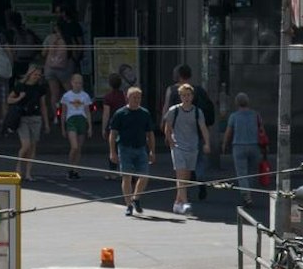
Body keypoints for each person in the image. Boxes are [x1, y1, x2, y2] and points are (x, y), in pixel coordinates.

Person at [163, 82, 210, 216]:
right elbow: (168, 126)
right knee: (180, 175)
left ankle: (177, 203)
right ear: (180, 96)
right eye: (183, 95)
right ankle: (185, 203)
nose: (186, 98)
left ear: (192, 96)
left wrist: (207, 143)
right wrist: (170, 140)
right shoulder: (174, 110)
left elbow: (203, 128)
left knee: (186, 177)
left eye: (188, 95)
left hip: (192, 147)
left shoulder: (197, 112)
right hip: (178, 146)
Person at [109, 86, 156, 216]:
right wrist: (112, 152)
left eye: (139, 97)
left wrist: (152, 151)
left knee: (144, 175)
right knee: (127, 177)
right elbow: (113, 134)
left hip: (141, 148)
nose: (136, 100)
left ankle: (136, 198)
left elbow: (150, 134)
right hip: (125, 148)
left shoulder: (145, 113)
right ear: (127, 98)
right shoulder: (120, 114)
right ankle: (128, 204)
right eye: (134, 97)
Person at [218, 93, 265, 207]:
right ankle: (250, 192)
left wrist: (224, 144)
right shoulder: (256, 115)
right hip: (254, 146)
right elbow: (262, 130)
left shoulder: (234, 116)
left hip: (238, 146)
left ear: (236, 103)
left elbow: (229, 132)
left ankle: (246, 196)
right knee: (251, 172)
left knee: (242, 173)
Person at [8, 65, 45, 181]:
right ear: (29, 74)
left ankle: (28, 173)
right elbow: (9, 100)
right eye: (35, 74)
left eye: (39, 75)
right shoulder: (20, 86)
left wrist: (47, 122)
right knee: (26, 145)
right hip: (23, 118)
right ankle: (19, 165)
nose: (37, 77)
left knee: (33, 147)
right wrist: (19, 98)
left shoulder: (40, 88)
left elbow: (43, 105)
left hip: (36, 118)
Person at [58, 73, 94, 178]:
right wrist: (63, 128)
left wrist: (90, 126)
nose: (78, 85)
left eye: (80, 83)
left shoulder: (85, 96)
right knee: (74, 146)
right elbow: (63, 112)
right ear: (72, 83)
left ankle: (75, 169)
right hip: (71, 120)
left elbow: (87, 112)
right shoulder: (66, 96)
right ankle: (70, 167)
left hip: (81, 120)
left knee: (79, 148)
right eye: (76, 83)